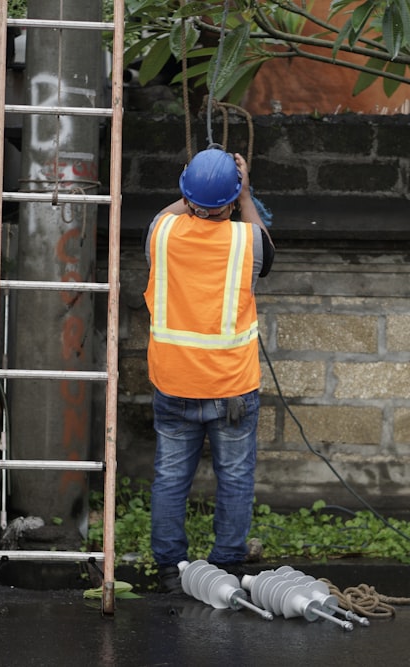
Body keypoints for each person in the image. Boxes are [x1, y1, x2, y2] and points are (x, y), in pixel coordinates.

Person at [143, 148, 275, 594]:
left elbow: (170, 211)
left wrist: (191, 186)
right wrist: (245, 191)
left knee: (169, 476)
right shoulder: (248, 241)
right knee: (234, 478)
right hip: (232, 387)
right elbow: (265, 246)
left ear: (186, 191)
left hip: (174, 383)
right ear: (233, 197)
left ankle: (169, 568)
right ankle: (226, 567)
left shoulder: (161, 232)